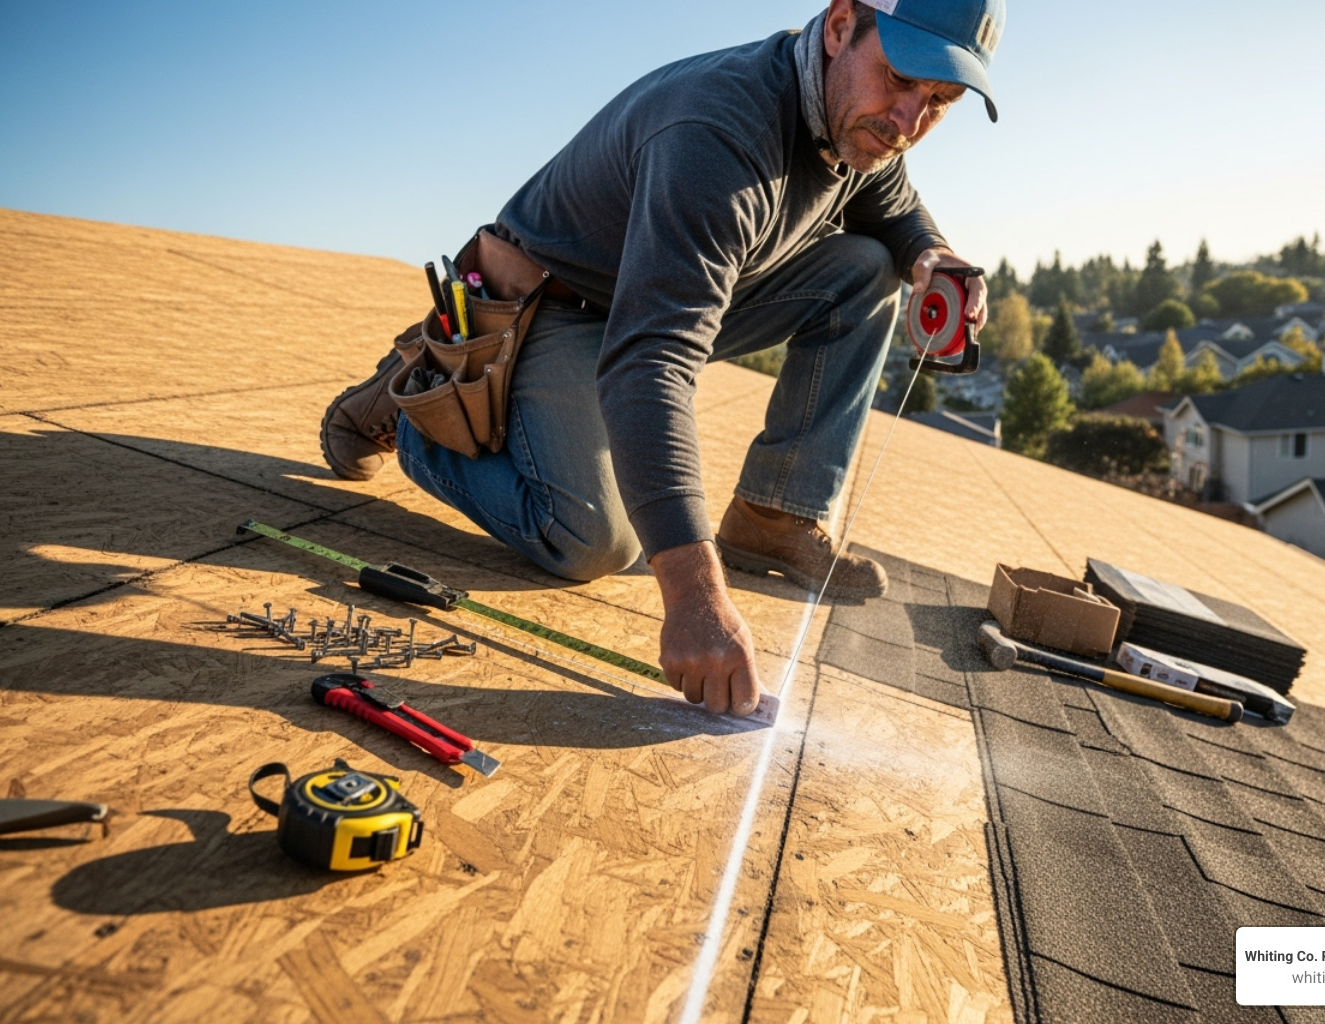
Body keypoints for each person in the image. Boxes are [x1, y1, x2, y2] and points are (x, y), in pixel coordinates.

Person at [320, 0, 1004, 720]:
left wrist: (931, 254)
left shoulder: (852, 119)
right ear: (839, 27)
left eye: (939, 100)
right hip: (557, 305)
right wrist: (693, 595)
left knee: (867, 270)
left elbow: (891, 203)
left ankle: (774, 513)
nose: (906, 121)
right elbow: (652, 358)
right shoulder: (718, 132)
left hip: (657, 290)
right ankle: (418, 409)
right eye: (899, 77)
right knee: (592, 541)